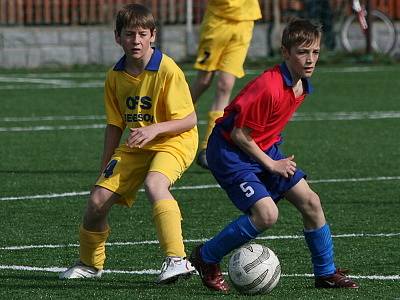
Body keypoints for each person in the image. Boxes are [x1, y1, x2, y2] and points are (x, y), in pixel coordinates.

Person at [189, 19, 359, 292]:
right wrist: (271, 164)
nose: (310, 59)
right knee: (267, 214)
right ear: (285, 53)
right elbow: (239, 135)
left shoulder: (302, 85)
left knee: (311, 202)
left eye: (315, 52)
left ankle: (325, 273)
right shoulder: (268, 87)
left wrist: (271, 156)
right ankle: (206, 257)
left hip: (262, 148)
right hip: (230, 152)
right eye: (303, 52)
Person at [59, 4, 198, 284]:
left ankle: (177, 260)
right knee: (97, 201)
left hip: (174, 140)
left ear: (153, 36)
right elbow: (114, 126)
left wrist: (155, 129)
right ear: (117, 37)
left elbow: (190, 119)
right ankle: (90, 263)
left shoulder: (167, 69)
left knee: (155, 184)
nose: (136, 40)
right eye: (129, 34)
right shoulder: (114, 76)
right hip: (138, 144)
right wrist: (103, 170)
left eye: (142, 34)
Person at [190, 0, 261, 169]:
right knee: (204, 80)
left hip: (244, 21)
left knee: (225, 84)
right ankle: (172, 114)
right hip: (217, 20)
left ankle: (208, 148)